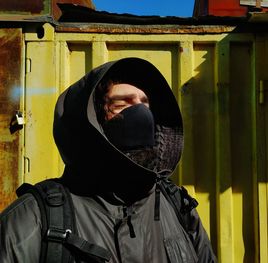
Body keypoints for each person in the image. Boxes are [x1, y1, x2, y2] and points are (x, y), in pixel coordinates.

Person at [0, 57, 217, 262]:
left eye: (145, 104)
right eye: (122, 104)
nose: (141, 112)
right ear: (93, 120)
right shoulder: (35, 217)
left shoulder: (178, 206)